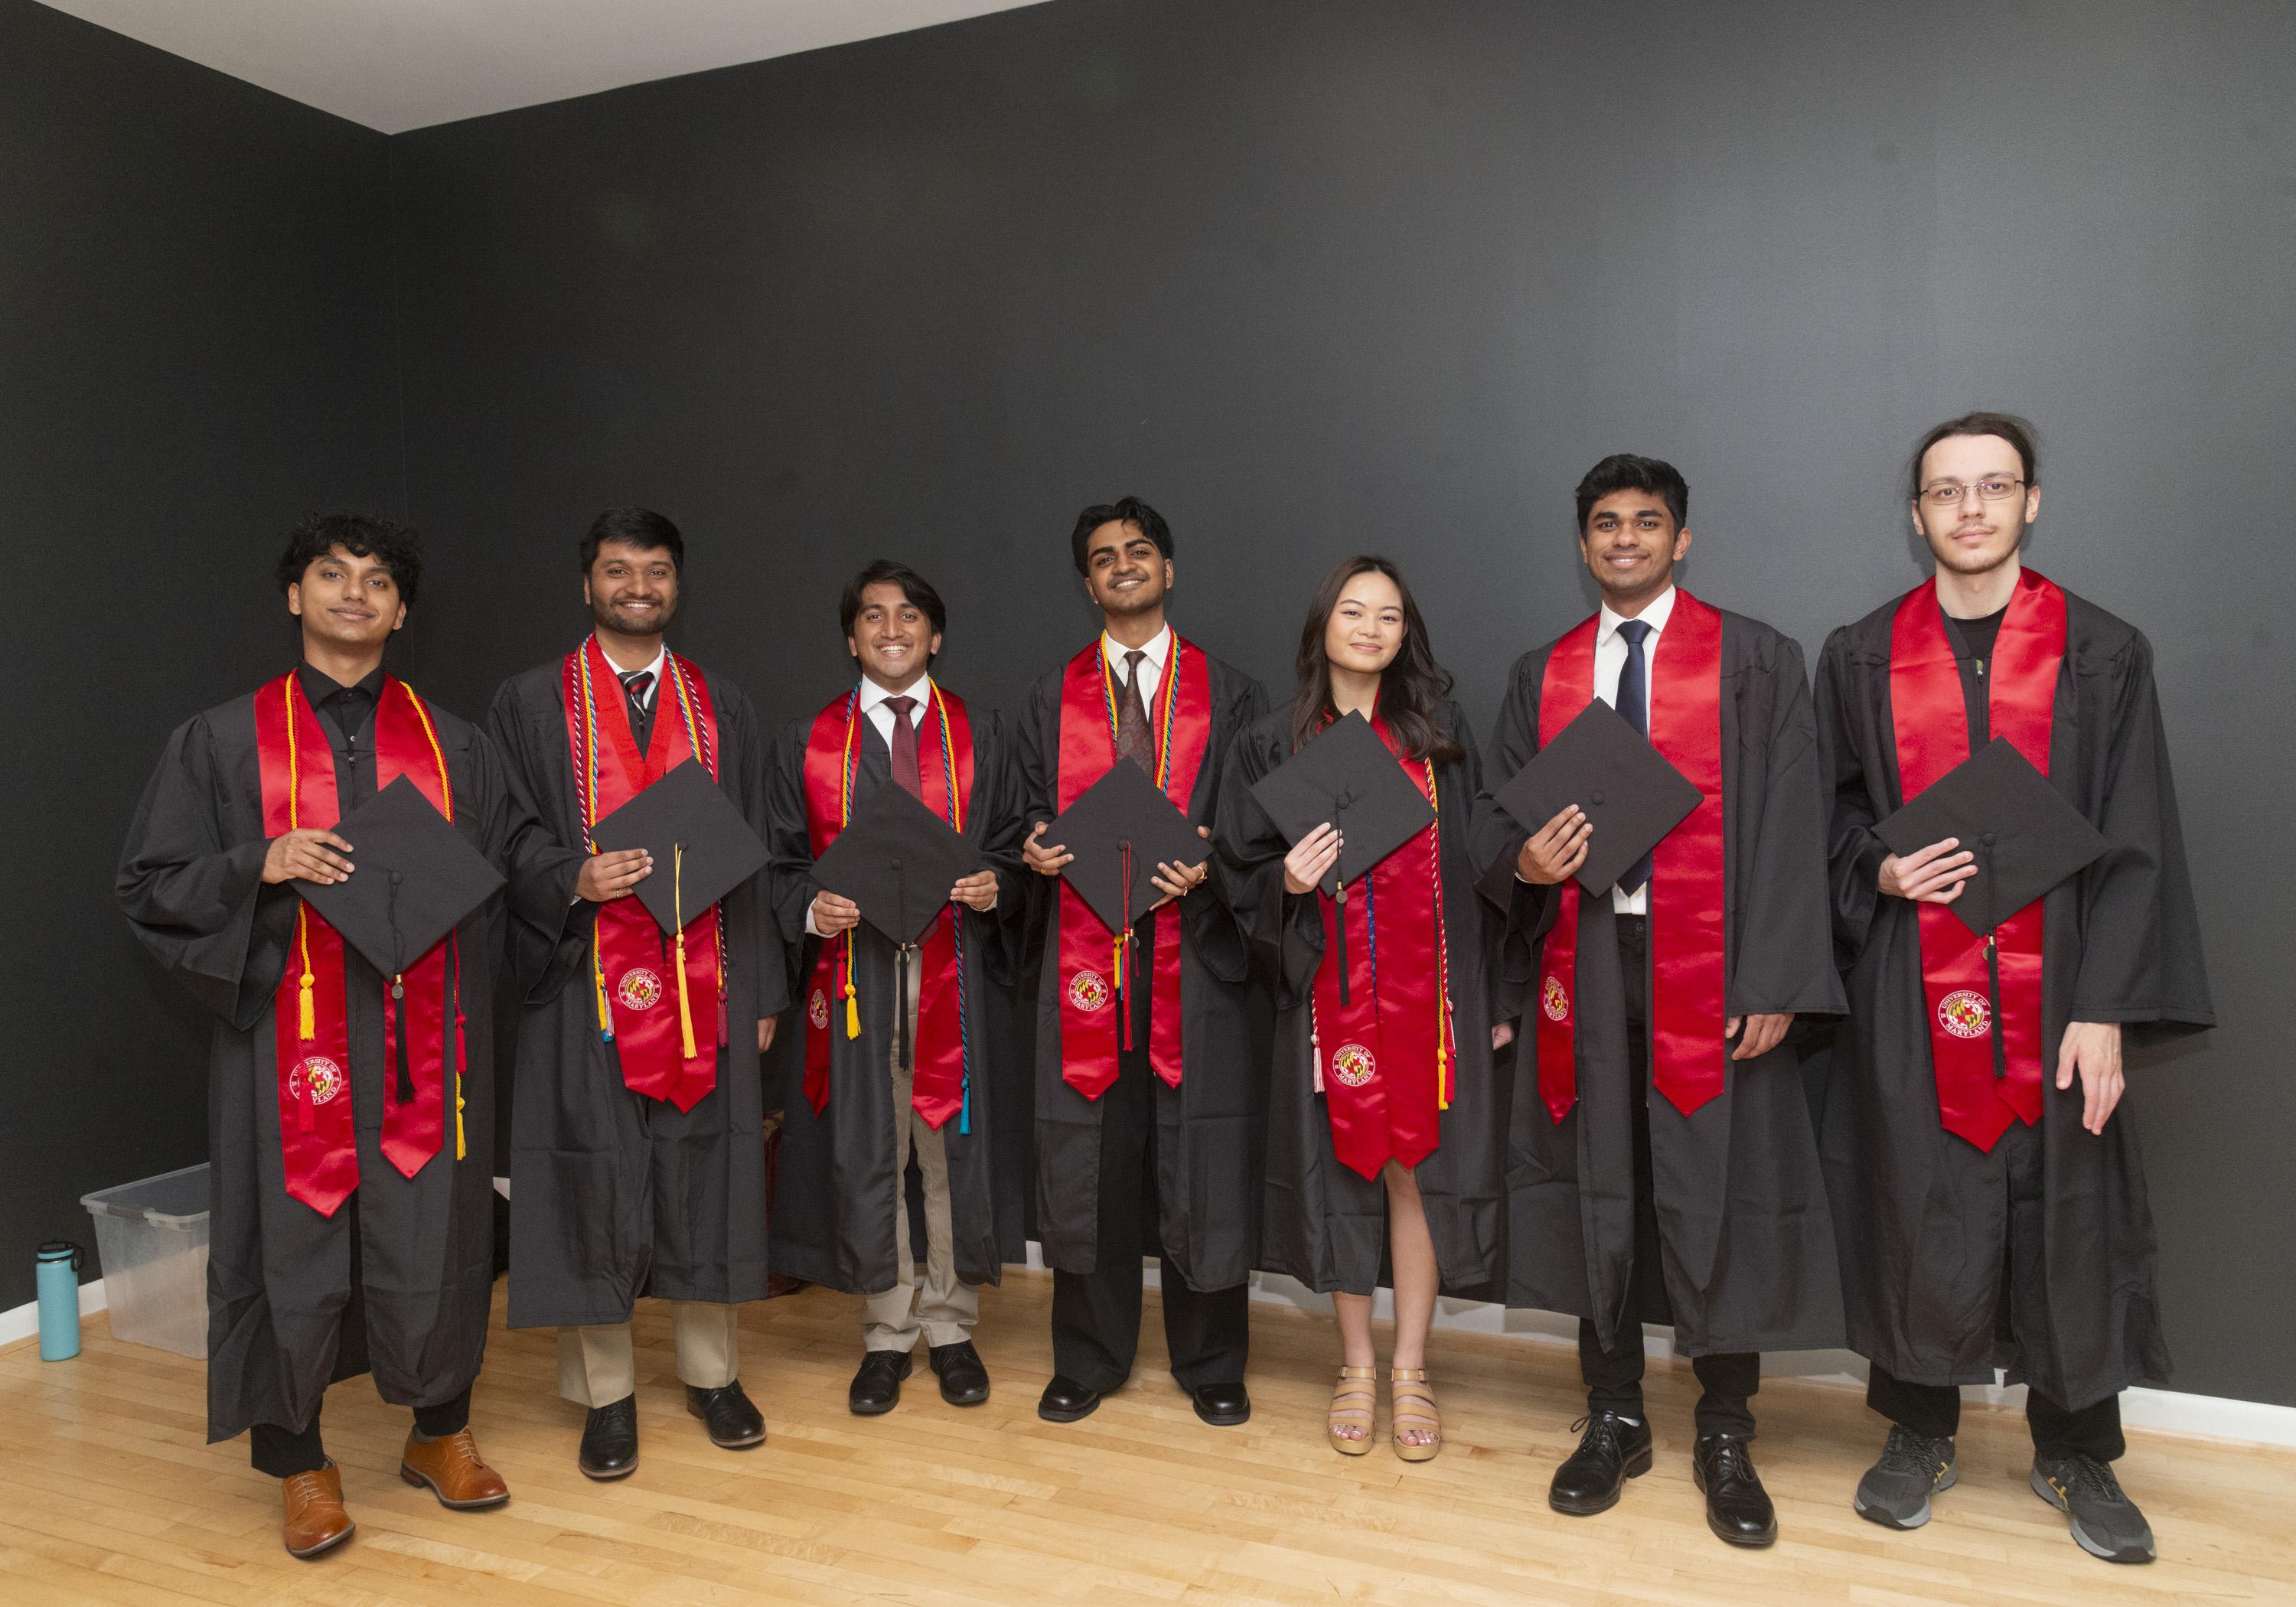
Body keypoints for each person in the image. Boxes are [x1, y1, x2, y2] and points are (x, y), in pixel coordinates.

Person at [119, 514, 563, 1558]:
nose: (354, 592)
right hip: (289, 1037)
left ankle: (438, 1432)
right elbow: (151, 884)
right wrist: (256, 864)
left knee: (440, 1230)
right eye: (331, 574)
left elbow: (520, 860)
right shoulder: (222, 740)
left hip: (429, 1041)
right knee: (290, 1240)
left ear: (403, 612)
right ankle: (300, 1461)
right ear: (294, 596)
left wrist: (578, 879)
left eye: (377, 581)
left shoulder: (459, 745)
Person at [1814, 414, 2213, 1564]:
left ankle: (2077, 1446)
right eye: (1948, 491)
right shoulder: (1858, 655)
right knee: (1915, 1196)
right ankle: (1917, 1430)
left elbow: (2138, 839)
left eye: (1995, 487)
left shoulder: (2103, 651)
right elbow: (1826, 814)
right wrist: (1881, 868)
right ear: (1919, 513)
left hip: (2064, 987)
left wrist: (2105, 1008)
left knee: (2068, 1206)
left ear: (2032, 502)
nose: (1972, 509)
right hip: (1913, 979)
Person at [1469, 455, 1844, 1547]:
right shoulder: (1543, 673)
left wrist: (1775, 975)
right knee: (1604, 1187)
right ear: (1582, 544)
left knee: (1717, 1185)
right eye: (1603, 524)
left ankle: (1726, 1428)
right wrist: (1526, 865)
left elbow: (1791, 822)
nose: (1624, 539)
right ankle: (1615, 1412)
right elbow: (1493, 820)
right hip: (1582, 963)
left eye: (1647, 523)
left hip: (1714, 970)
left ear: (1683, 541)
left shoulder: (1756, 659)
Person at [487, 507, 788, 1481]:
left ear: (676, 584)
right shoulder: (530, 704)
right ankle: (606, 1396)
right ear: (589, 585)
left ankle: (712, 1374)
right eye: (618, 571)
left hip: (711, 979)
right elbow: (508, 836)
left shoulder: (723, 706)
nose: (638, 586)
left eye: (656, 571)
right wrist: (570, 878)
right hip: (585, 983)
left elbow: (756, 856)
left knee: (707, 1165)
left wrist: (767, 986)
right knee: (590, 1173)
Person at [1217, 556, 1505, 1461]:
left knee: (1413, 1167)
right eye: (1353, 611)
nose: (1371, 628)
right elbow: (1236, 871)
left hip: (1427, 997)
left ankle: (1412, 1364)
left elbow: (1478, 868)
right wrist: (1286, 882)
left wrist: (1488, 995)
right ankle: (1354, 1363)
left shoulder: (1439, 738)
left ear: (1404, 633)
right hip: (1325, 1000)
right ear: (1323, 626)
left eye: (1389, 615)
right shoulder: (1273, 742)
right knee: (1344, 1170)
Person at [1014, 497, 1270, 1426]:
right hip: (1083, 968)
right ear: (1087, 582)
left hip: (1192, 966)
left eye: (1140, 551)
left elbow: (1256, 832)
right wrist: (1033, 851)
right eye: (1103, 556)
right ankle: (1088, 1356)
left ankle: (1212, 1361)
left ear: (1168, 569)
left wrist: (1217, 855)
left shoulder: (1232, 693)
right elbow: (1018, 824)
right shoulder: (1049, 698)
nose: (1123, 565)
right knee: (1091, 1161)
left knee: (1201, 1154)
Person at [764, 560, 1026, 1414]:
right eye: (872, 616)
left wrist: (997, 884)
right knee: (870, 1148)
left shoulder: (983, 733)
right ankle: (885, 1333)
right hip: (855, 980)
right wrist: (811, 907)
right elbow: (777, 865)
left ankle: (950, 1327)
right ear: (851, 638)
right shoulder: (804, 741)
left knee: (947, 1149)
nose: (891, 629)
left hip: (953, 976)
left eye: (909, 615)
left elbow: (1022, 846)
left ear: (935, 635)